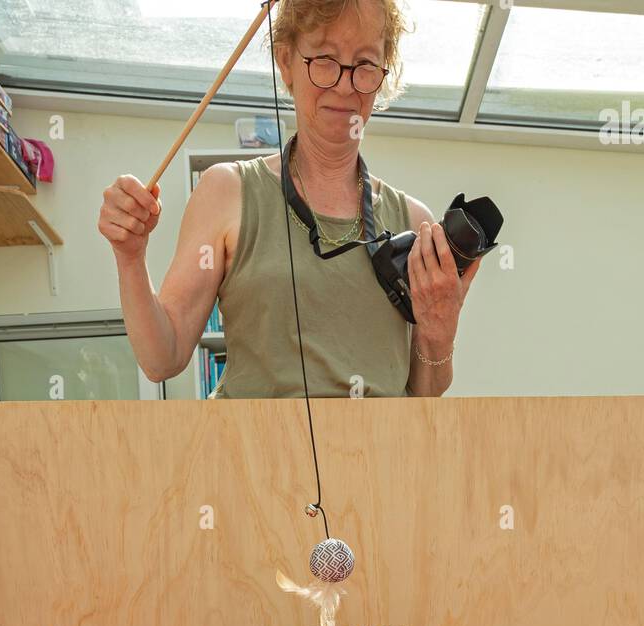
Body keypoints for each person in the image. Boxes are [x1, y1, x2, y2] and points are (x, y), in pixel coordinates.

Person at [97, 0, 482, 398]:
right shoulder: (226, 192)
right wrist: (130, 257)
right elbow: (163, 358)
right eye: (325, 59)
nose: (345, 85)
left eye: (365, 64)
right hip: (254, 457)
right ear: (285, 61)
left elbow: (425, 394)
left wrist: (439, 333)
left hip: (378, 458)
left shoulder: (413, 220)